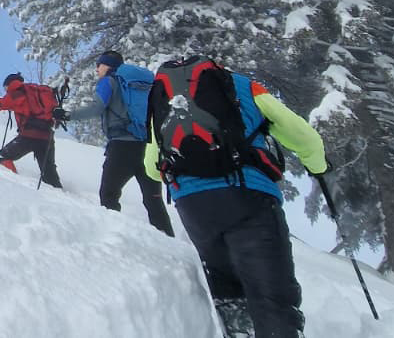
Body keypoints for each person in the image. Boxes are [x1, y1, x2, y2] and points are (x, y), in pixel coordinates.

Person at [144, 58, 328, 338]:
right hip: (248, 196)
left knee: (229, 292)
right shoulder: (241, 85)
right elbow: (304, 137)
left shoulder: (162, 98)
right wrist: (318, 166)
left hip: (193, 207)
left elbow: (151, 166)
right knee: (272, 297)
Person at [94, 51, 175, 237]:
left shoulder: (109, 81)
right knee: (153, 201)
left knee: (109, 194)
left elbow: (95, 108)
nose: (97, 69)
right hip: (148, 147)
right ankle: (169, 242)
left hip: (121, 147)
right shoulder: (143, 83)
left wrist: (67, 115)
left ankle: (115, 238)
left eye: (99, 65)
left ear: (107, 65)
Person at [0, 73, 63, 188]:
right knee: (49, 171)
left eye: (5, 88)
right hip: (47, 136)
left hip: (28, 137)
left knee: (3, 157)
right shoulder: (38, 91)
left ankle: (15, 185)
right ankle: (58, 193)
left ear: (8, 85)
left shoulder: (15, 93)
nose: (5, 91)